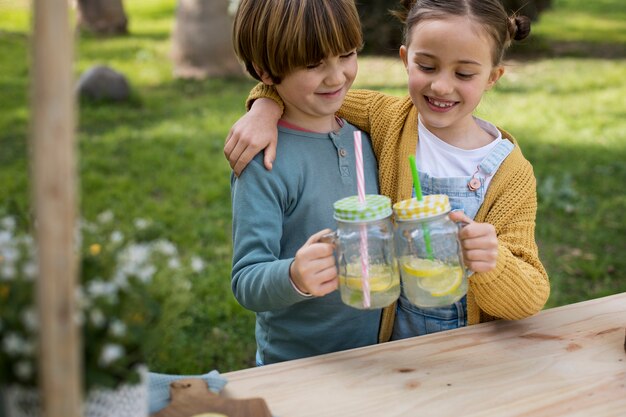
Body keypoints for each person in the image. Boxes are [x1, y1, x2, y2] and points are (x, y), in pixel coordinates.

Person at [224, 0, 550, 342]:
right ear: (405, 60)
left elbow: (530, 299)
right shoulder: (386, 120)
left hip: (464, 355)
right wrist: (264, 106)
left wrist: (492, 261)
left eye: (464, 74)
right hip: (386, 354)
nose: (440, 86)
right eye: (426, 66)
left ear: (492, 77)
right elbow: (297, 87)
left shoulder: (510, 173)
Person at [229, 0, 383, 366]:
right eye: (314, 65)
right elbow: (246, 280)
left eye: (346, 54)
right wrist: (293, 275)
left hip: (382, 357)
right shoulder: (264, 160)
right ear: (266, 71)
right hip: (298, 368)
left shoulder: (371, 138)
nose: (336, 77)